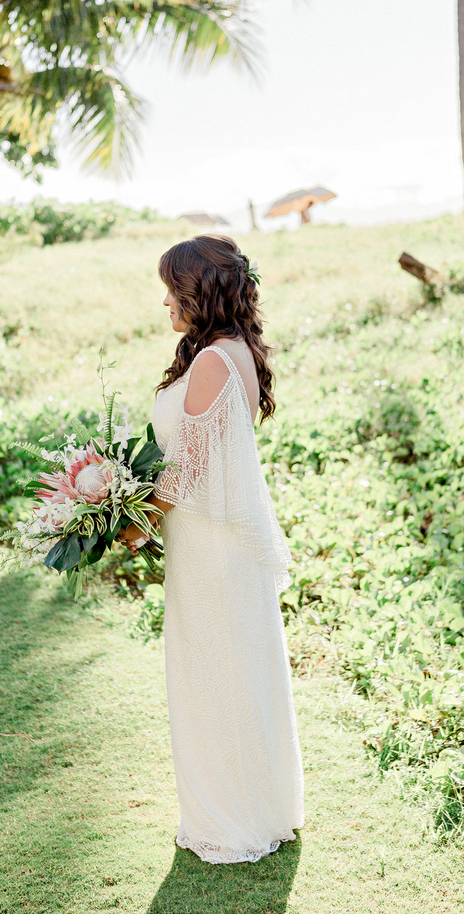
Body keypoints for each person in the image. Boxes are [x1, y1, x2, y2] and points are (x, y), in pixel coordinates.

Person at [119, 235, 304, 864]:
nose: (166, 301)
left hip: (209, 552)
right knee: (232, 671)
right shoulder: (236, 352)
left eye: (174, 288)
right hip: (213, 545)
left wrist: (127, 522)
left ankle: (230, 819)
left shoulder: (211, 363)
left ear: (200, 291)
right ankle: (260, 804)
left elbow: (186, 470)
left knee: (213, 676)